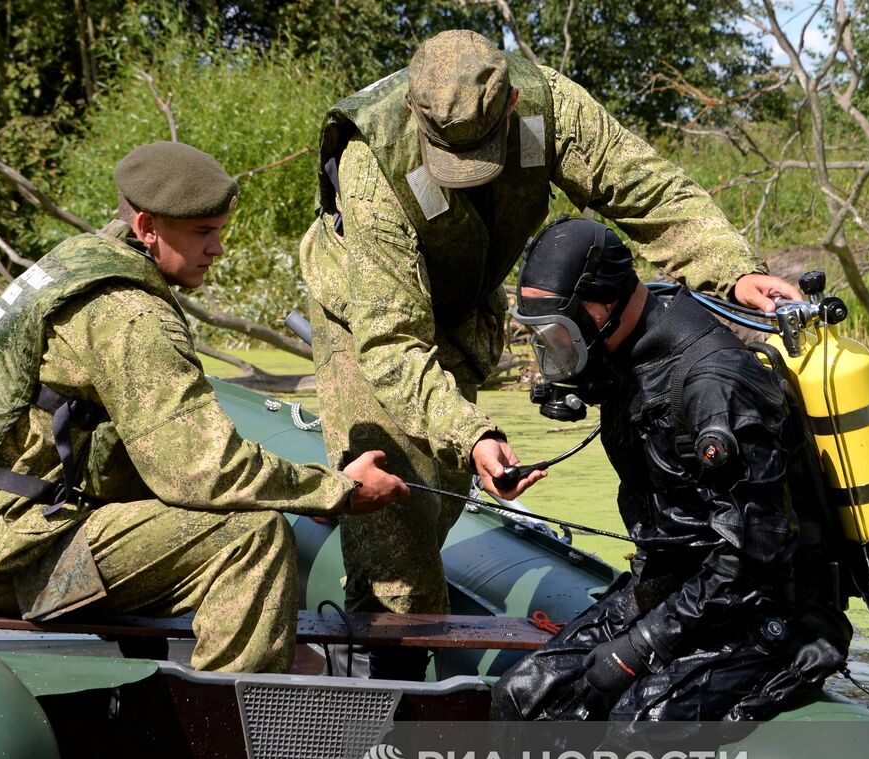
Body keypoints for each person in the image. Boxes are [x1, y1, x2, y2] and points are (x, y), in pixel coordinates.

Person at [298, 29, 800, 680]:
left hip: (463, 295)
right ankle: (390, 689)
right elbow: (391, 339)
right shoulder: (377, 166)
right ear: (419, 121)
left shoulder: (547, 109)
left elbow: (644, 188)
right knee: (398, 519)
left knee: (443, 490)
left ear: (509, 107)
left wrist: (729, 268)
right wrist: (472, 431)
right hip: (366, 307)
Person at [0, 141, 408, 674]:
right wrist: (339, 491)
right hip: (8, 555)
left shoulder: (77, 261)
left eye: (218, 230)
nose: (217, 249)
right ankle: (228, 732)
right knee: (254, 538)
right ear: (146, 227)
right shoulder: (132, 318)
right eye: (201, 232)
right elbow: (203, 471)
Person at [491, 217, 851, 721]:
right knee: (523, 696)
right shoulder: (623, 354)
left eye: (557, 332)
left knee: (633, 729)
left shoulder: (715, 387)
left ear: (605, 305)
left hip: (769, 608)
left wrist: (638, 648)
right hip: (679, 588)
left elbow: (753, 558)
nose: (551, 349)